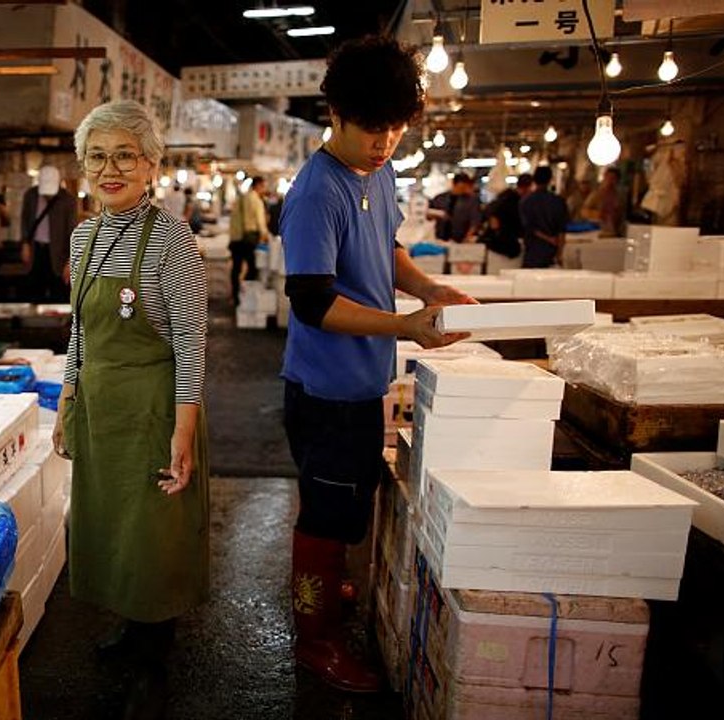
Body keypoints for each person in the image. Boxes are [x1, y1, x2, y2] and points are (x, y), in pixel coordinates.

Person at [280, 35, 473, 694]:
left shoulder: (380, 171)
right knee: (323, 516)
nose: (384, 140)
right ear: (333, 112)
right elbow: (312, 302)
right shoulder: (315, 193)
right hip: (326, 390)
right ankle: (315, 640)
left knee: (349, 503)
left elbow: (386, 244)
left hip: (366, 383)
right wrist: (404, 325)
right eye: (371, 127)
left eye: (395, 127)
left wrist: (428, 289)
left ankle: (328, 587)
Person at [51, 99, 208, 719]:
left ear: (149, 165)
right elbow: (80, 335)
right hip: (99, 402)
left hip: (153, 406)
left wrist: (184, 430)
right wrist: (66, 401)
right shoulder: (84, 234)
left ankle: (154, 661)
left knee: (153, 536)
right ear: (83, 166)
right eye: (97, 156)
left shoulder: (174, 240)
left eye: (124, 156)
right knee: (110, 524)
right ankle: (128, 628)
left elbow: (193, 344)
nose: (109, 169)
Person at [20, 165, 76, 302]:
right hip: (36, 250)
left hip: (59, 254)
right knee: (34, 292)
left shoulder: (67, 199)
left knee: (59, 293)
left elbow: (72, 230)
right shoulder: (31, 195)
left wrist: (70, 261)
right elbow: (25, 220)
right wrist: (25, 244)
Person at [227, 175, 271, 305]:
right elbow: (259, 221)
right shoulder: (256, 200)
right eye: (263, 186)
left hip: (236, 238)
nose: (264, 189)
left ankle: (236, 297)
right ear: (258, 186)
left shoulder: (243, 197)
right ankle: (245, 295)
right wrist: (265, 235)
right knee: (252, 268)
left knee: (236, 268)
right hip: (248, 238)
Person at [519, 165, 569, 268]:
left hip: (532, 251)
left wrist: (548, 238)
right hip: (552, 252)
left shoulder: (525, 202)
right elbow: (562, 230)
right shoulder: (559, 201)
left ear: (534, 180)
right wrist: (559, 253)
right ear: (550, 179)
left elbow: (529, 227)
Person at [479, 173, 532, 260]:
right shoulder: (511, 199)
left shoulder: (507, 195)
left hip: (496, 238)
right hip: (500, 239)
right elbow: (493, 214)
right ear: (527, 187)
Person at [427, 172, 482, 243]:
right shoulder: (440, 198)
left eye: (465, 187)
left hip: (460, 240)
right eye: (461, 187)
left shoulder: (472, 201)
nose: (462, 190)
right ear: (454, 184)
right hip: (439, 238)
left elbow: (475, 222)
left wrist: (467, 238)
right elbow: (428, 215)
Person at [582, 166, 623, 236]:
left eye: (613, 178)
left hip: (613, 230)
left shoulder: (618, 196)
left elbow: (620, 214)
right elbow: (584, 211)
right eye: (609, 178)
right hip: (597, 230)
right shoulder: (597, 194)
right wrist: (598, 215)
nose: (610, 181)